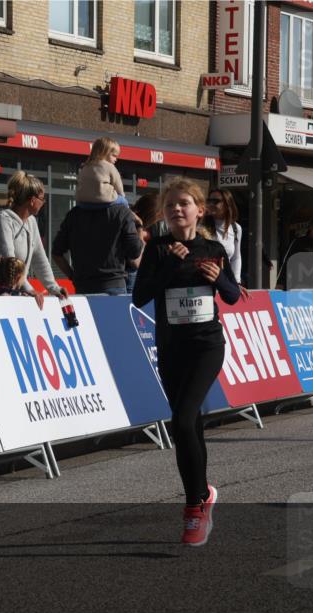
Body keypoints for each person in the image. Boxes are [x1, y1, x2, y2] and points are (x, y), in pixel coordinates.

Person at [132, 178, 241, 547]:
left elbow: (231, 295)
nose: (177, 210)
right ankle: (203, 494)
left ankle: (194, 507)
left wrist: (219, 279)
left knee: (182, 418)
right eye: (170, 206)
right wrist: (165, 270)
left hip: (206, 345)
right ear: (163, 213)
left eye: (184, 204)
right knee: (188, 424)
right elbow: (139, 297)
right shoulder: (158, 250)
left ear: (199, 209)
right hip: (171, 345)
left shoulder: (213, 248)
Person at [0, 172, 64, 308]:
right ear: (32, 200)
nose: (44, 202)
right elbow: (9, 262)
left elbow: (39, 260)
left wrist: (55, 288)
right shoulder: (2, 220)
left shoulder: (31, 222)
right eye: (42, 198)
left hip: (9, 294)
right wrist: (29, 289)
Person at [51, 194, 143, 295]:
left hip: (83, 287)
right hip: (114, 286)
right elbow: (135, 252)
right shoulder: (122, 212)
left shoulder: (73, 215)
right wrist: (139, 226)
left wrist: (73, 276)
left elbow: (56, 253)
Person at [202, 189, 243, 284]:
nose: (211, 204)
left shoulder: (236, 228)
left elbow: (236, 257)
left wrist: (236, 282)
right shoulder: (200, 226)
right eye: (209, 201)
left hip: (225, 281)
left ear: (227, 204)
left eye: (216, 201)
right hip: (205, 279)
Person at [76, 137, 128, 208]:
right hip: (103, 201)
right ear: (104, 153)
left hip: (83, 202)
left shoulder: (85, 166)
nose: (116, 159)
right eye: (114, 155)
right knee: (123, 200)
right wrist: (122, 196)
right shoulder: (110, 166)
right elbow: (119, 188)